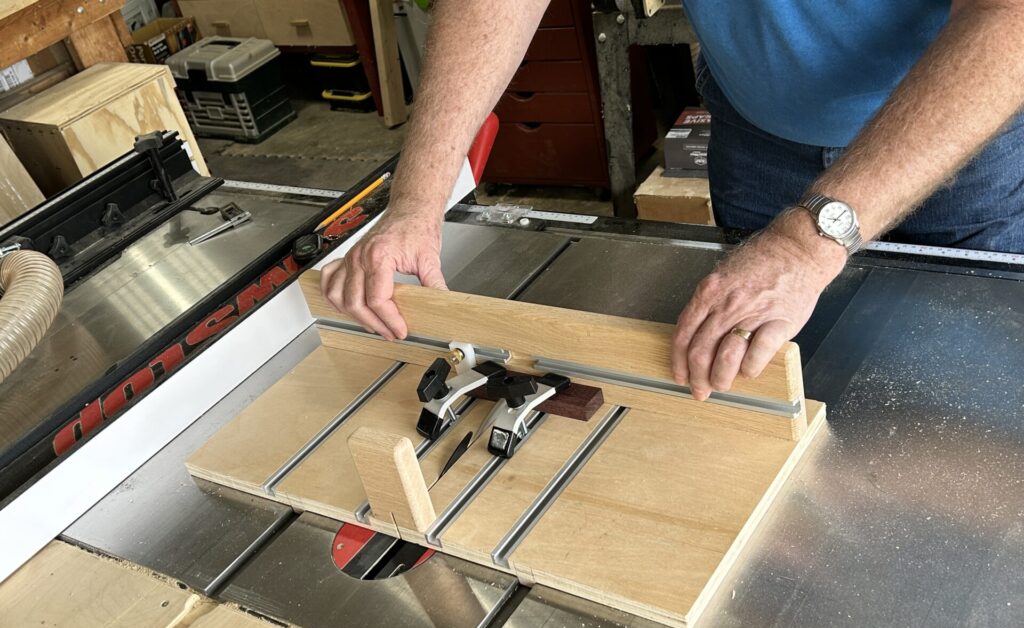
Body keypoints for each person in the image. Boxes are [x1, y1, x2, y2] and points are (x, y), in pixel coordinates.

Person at [321, 0, 1024, 400]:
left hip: (948, 146)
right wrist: (417, 198)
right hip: (758, 135)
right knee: (767, 390)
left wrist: (808, 237)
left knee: (947, 407)